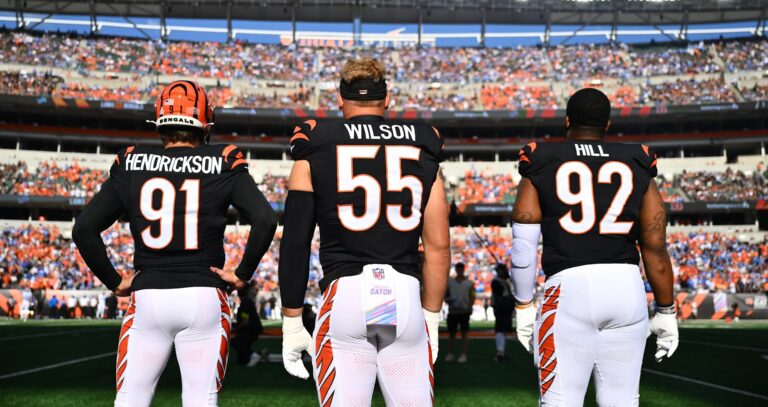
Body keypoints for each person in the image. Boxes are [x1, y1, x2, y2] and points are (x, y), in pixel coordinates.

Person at [72, 80, 278, 407]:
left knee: (130, 399)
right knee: (200, 399)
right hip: (204, 297)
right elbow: (265, 219)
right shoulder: (223, 159)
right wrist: (242, 274)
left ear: (160, 121)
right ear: (205, 124)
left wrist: (114, 281)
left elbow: (84, 229)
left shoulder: (132, 161)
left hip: (149, 296)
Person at [267, 58, 450, 406]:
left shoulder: (315, 143)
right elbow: (439, 247)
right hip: (405, 296)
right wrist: (430, 317)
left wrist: (291, 319)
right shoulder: (423, 145)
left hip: (347, 295)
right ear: (387, 99)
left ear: (340, 99)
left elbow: (295, 243)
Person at [511, 88, 679, 406]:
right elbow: (655, 246)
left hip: (569, 290)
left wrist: (522, 306)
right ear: (608, 124)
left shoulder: (541, 157)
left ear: (567, 121)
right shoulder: (637, 159)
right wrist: (666, 310)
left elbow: (523, 246)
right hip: (627, 290)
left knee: (561, 401)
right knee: (622, 401)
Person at [445, 262, 474, 363]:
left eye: (461, 269)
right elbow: (445, 295)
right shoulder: (450, 282)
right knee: (451, 333)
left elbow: (472, 296)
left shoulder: (470, 283)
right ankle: (450, 353)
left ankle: (464, 354)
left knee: (464, 333)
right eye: (458, 269)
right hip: (453, 311)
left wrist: (469, 307)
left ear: (463, 269)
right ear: (456, 270)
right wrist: (447, 300)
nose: (459, 271)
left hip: (464, 311)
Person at [231, 286, 264, 367]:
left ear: (238, 294)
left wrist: (234, 329)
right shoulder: (247, 302)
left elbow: (245, 322)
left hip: (250, 330)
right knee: (242, 357)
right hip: (253, 329)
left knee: (235, 342)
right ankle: (253, 356)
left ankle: (254, 355)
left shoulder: (244, 304)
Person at [491, 263, 515, 362]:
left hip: (505, 308)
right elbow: (502, 295)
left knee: (503, 331)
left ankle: (501, 352)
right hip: (501, 308)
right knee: (500, 330)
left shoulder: (503, 281)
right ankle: (499, 353)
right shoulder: (497, 281)